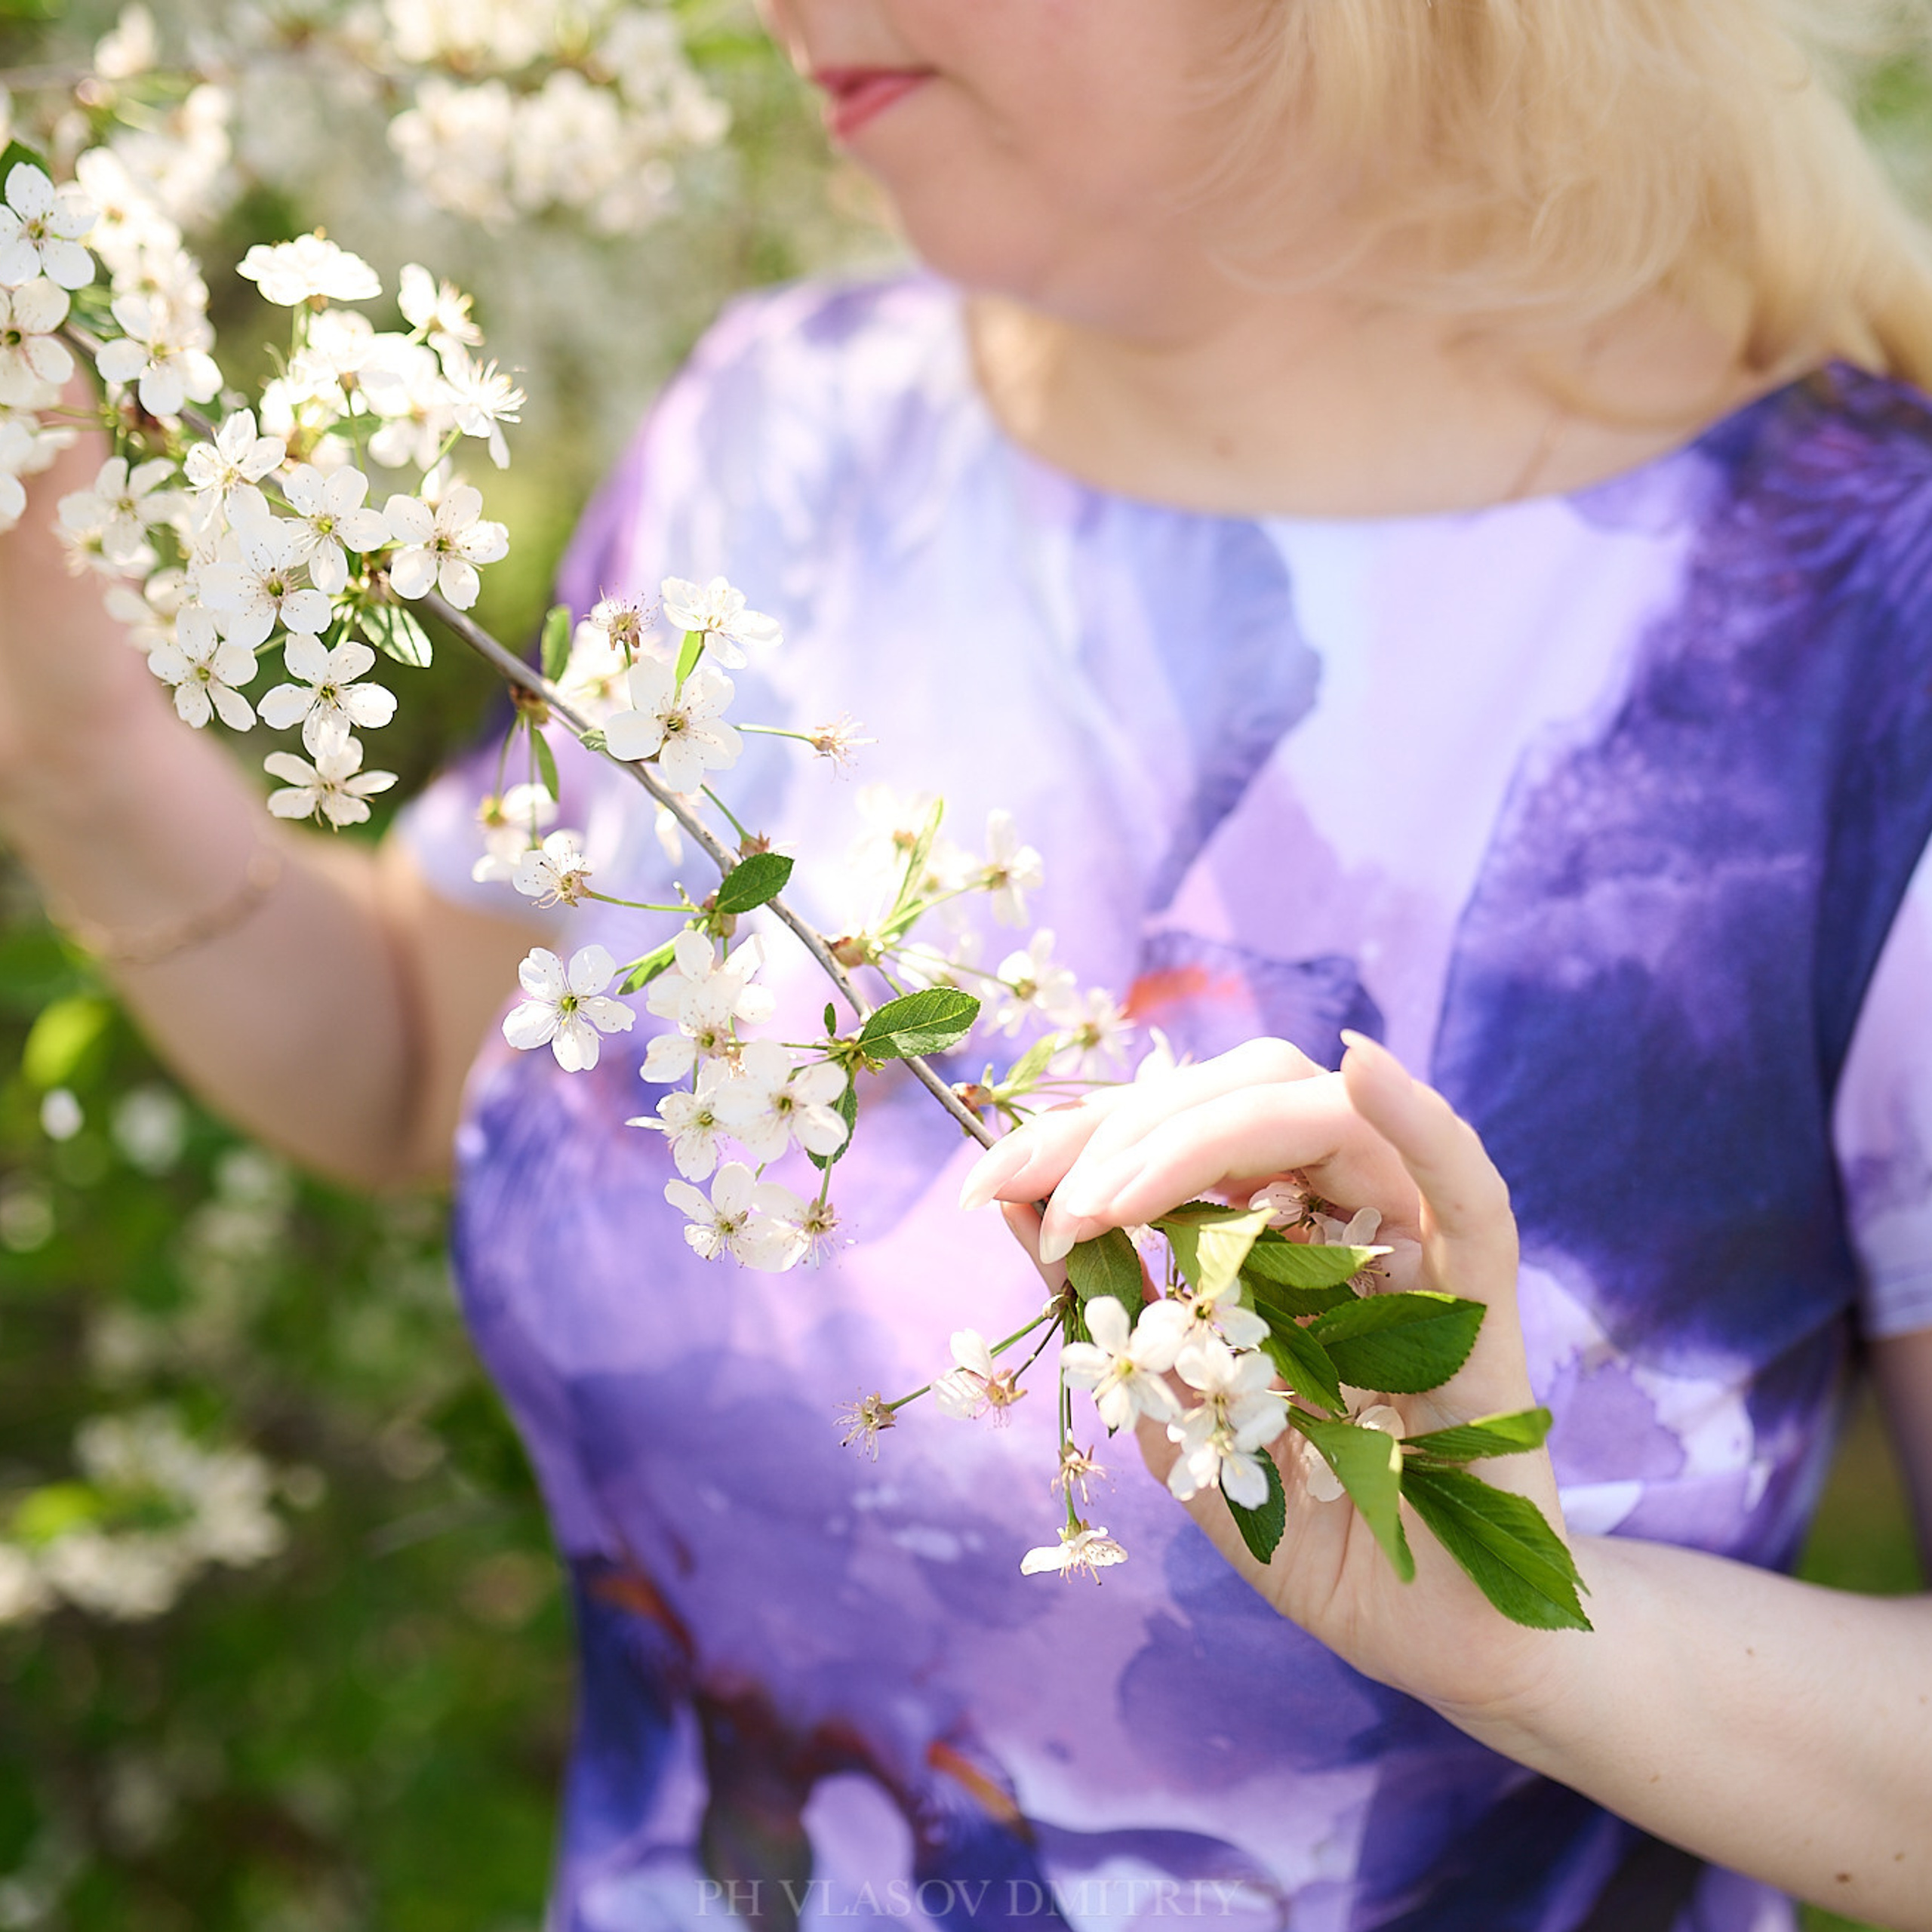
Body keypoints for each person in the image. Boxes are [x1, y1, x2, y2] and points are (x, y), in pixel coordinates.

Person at [2, 1, 1930, 1927]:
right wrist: (66, 714)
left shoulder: (1855, 619)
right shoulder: (785, 435)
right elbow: (422, 1056)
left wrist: (1530, 1620)